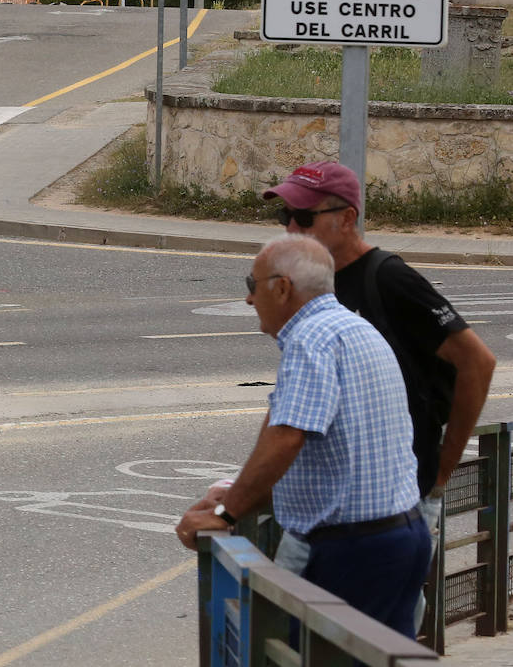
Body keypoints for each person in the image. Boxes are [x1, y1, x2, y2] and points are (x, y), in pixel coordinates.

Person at [259, 162, 496, 598]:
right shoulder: (313, 283)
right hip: (329, 514)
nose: (292, 228)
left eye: (305, 217)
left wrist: (441, 474)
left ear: (347, 218)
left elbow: (477, 362)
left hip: (394, 506)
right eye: (285, 218)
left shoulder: (388, 278)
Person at [176, 234, 430, 637]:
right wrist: (238, 491)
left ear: (281, 287)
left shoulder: (312, 339)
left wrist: (225, 516)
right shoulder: (351, 326)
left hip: (354, 551)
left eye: (251, 286)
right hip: (401, 537)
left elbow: (286, 438)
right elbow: (333, 461)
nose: (247, 300)